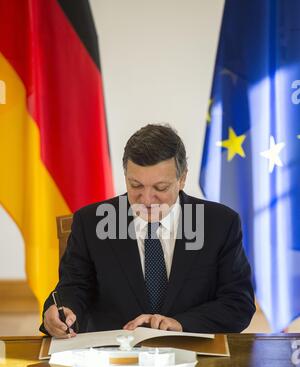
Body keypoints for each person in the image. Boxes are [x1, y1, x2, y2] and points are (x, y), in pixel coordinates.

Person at [40, 124, 255, 337]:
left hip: (195, 355)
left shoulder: (220, 223)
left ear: (182, 179)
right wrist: (62, 310)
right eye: (136, 186)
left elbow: (238, 303)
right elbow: (74, 287)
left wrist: (180, 324)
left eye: (160, 188)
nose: (147, 200)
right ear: (125, 176)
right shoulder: (91, 222)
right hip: (114, 357)